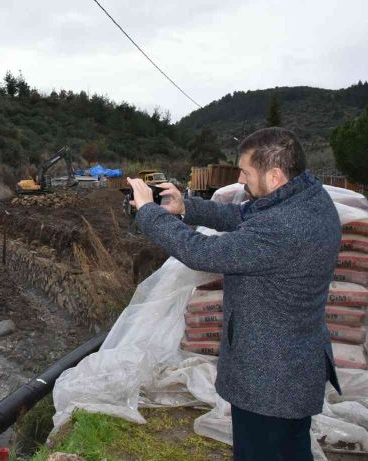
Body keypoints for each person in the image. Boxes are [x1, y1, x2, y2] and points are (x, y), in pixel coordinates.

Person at [127, 127, 341, 461]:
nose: (240, 180)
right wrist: (187, 208)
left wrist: (147, 212)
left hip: (269, 377)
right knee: (292, 450)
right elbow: (242, 215)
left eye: (246, 172)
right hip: (295, 369)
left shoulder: (284, 228)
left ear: (274, 175)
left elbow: (199, 251)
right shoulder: (308, 198)